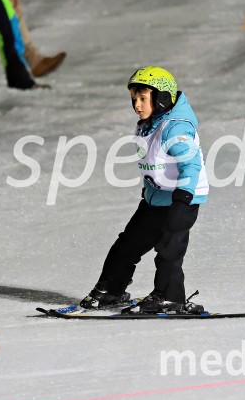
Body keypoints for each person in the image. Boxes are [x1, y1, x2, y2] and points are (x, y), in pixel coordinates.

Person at [80, 67, 209, 314]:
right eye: (134, 99)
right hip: (156, 198)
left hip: (182, 198)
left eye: (143, 98)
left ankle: (169, 297)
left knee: (169, 249)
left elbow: (190, 165)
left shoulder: (175, 128)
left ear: (162, 98)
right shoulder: (149, 124)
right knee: (128, 245)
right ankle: (110, 290)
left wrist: (182, 200)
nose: (137, 105)